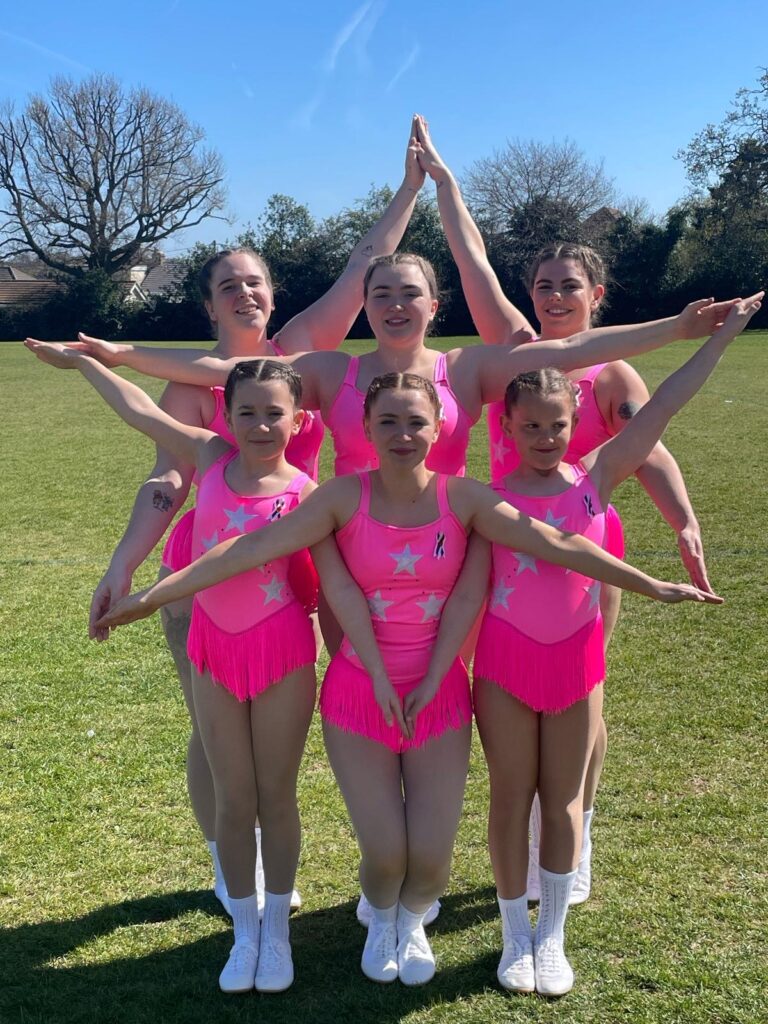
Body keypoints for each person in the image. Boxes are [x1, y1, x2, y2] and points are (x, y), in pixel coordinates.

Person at [86, 372, 719, 987]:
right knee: (383, 851)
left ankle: (411, 919)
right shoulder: (336, 497)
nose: (402, 433)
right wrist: (145, 597)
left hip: (439, 693)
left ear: (439, 426)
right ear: (365, 427)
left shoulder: (465, 498)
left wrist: (648, 583)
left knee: (433, 863)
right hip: (360, 691)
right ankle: (371, 919)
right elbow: (246, 552)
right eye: (387, 420)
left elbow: (553, 542)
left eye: (416, 421)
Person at [55, 120, 427, 916]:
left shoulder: (300, 347)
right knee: (212, 722)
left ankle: (318, 858)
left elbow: (364, 268)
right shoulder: (189, 383)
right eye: (231, 287)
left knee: (298, 710)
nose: (247, 295)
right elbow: (166, 481)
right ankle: (234, 863)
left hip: (296, 559)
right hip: (201, 574)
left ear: (272, 293)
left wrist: (408, 191)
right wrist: (123, 565)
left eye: (255, 283)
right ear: (209, 303)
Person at [404, 295, 760, 996]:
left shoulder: (597, 479)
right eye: (530, 426)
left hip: (576, 665)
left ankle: (552, 934)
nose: (544, 438)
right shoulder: (483, 501)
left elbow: (664, 409)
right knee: (512, 796)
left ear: (575, 425)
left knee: (563, 800)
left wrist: (721, 340)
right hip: (505, 670)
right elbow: (470, 595)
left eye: (557, 426)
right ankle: (514, 937)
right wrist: (439, 671)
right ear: (507, 425)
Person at [411, 113, 715, 904]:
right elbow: (471, 260)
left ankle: (573, 830)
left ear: (596, 294)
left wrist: (681, 519)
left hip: (584, 535)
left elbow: (649, 447)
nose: (551, 296)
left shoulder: (613, 373)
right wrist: (446, 185)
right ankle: (526, 832)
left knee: (585, 686)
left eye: (567, 286)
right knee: (509, 680)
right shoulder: (512, 342)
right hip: (506, 538)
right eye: (543, 283)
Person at [24, 351, 396, 994]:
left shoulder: (308, 496)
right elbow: (139, 410)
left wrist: (364, 658)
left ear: (300, 419)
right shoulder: (211, 461)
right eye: (245, 412)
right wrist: (86, 364)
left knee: (275, 796)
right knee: (233, 796)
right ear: (225, 415)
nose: (259, 425)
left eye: (273, 413)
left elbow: (337, 581)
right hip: (213, 651)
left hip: (281, 653)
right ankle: (245, 929)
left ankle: (276, 932)